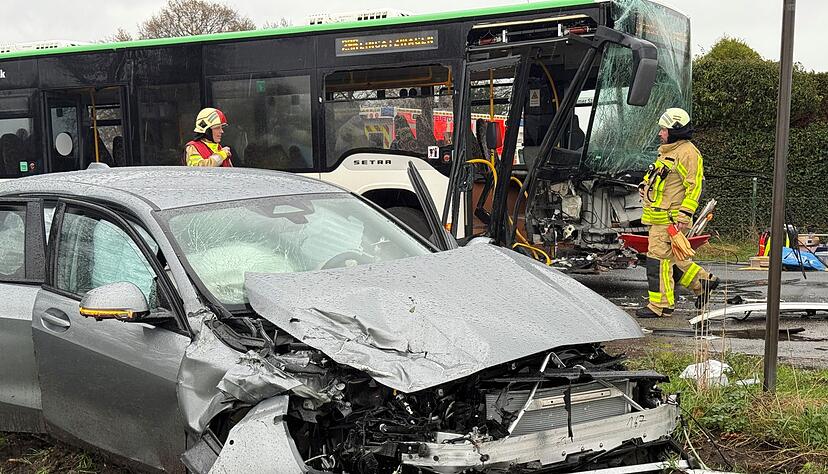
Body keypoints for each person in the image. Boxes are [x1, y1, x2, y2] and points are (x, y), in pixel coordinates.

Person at [636, 107, 719, 318]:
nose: (660, 133)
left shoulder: (688, 153)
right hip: (659, 217)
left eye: (663, 130)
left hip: (669, 219)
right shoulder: (668, 151)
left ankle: (661, 306)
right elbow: (661, 178)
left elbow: (694, 187)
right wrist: (645, 185)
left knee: (657, 261)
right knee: (674, 261)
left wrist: (684, 215)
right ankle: (703, 282)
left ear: (674, 131)